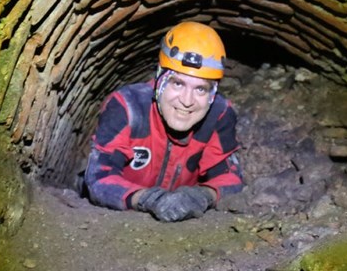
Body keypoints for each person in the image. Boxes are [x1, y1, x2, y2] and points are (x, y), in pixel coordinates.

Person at [83, 21, 243, 221]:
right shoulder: (128, 107)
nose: (186, 101)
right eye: (177, 83)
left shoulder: (219, 115)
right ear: (160, 79)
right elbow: (98, 179)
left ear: (213, 93)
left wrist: (203, 196)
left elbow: (231, 179)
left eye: (200, 89)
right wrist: (148, 199)